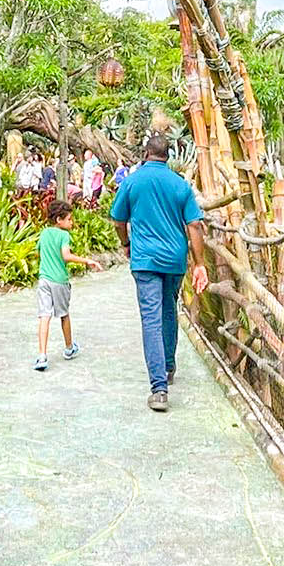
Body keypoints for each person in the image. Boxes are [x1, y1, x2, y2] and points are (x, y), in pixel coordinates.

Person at [109, 130, 210, 411]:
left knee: (151, 318)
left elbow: (118, 219)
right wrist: (199, 263)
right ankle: (168, 365)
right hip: (174, 259)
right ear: (168, 156)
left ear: (145, 154)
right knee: (169, 310)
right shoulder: (180, 184)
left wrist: (126, 243)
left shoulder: (133, 182)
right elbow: (194, 226)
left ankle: (159, 388)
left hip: (144, 260)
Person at [34, 199, 100, 372]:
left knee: (44, 316)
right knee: (63, 315)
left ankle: (42, 355)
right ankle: (69, 347)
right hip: (59, 281)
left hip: (44, 279)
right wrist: (86, 260)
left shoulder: (44, 233)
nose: (72, 222)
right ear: (59, 220)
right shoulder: (64, 236)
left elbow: (38, 252)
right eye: (69, 219)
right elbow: (66, 256)